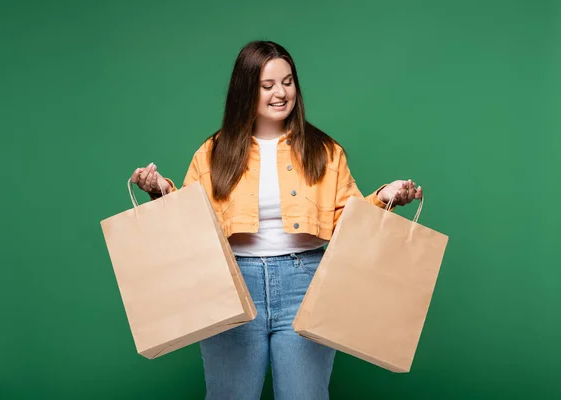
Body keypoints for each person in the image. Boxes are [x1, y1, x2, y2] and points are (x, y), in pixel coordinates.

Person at [130, 40, 422, 400]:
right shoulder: (213, 152)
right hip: (231, 284)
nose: (280, 93)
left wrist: (386, 197)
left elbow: (348, 224)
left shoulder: (326, 150)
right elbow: (192, 224)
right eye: (267, 86)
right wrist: (159, 190)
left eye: (287, 82)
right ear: (245, 90)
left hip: (307, 283)